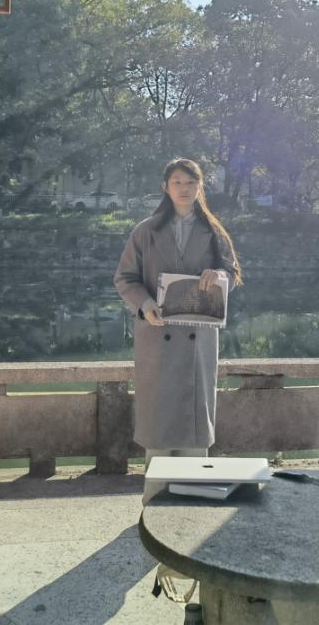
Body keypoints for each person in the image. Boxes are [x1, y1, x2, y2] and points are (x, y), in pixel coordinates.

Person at [113, 158, 242, 505]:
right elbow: (125, 278)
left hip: (199, 337)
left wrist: (218, 276)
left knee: (194, 426)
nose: (184, 189)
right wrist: (144, 304)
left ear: (200, 186)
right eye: (177, 182)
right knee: (159, 425)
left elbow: (232, 273)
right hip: (158, 336)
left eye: (190, 182)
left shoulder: (214, 230)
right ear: (165, 187)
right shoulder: (146, 231)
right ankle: (155, 504)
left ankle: (194, 504)